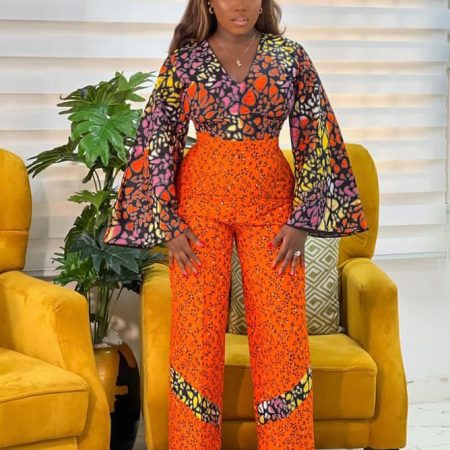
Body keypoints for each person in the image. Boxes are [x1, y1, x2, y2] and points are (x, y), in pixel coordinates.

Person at [103, 0, 369, 449]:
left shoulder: (290, 57)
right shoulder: (185, 60)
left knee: (282, 338)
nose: (241, 4)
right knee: (196, 340)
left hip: (274, 213)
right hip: (198, 213)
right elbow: (158, 138)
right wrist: (168, 222)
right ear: (209, 2)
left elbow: (316, 133)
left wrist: (303, 219)